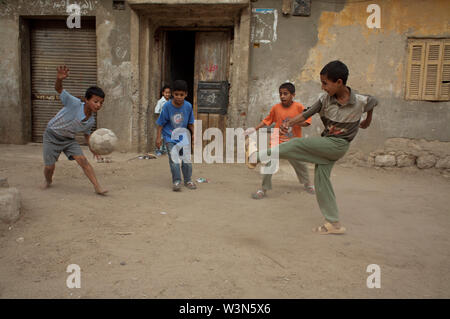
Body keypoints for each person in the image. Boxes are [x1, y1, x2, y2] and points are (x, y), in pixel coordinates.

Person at [247, 60, 378, 234]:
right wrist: (290, 122)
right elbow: (306, 114)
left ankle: (256, 157)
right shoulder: (325, 99)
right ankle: (334, 224)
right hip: (328, 142)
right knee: (322, 181)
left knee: (295, 144)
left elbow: (373, 102)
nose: (323, 87)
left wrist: (368, 119)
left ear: (339, 82)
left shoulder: (361, 100)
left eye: (325, 83)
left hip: (338, 144)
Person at [42, 65, 107, 195]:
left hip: (68, 140)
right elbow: (58, 89)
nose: (98, 105)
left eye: (101, 103)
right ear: (87, 100)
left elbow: (87, 135)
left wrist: (93, 149)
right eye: (96, 101)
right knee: (50, 167)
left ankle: (97, 187)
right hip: (52, 135)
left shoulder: (91, 120)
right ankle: (48, 181)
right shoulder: (74, 103)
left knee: (83, 161)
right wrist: (59, 79)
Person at [245, 82, 314, 199]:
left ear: (293, 95)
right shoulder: (276, 108)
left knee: (300, 164)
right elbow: (267, 121)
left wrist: (294, 122)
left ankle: (308, 184)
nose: (282, 96)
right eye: (280, 94)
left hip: (293, 142)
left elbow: (307, 122)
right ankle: (263, 189)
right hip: (277, 141)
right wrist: (254, 129)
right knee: (269, 163)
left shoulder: (299, 107)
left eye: (285, 94)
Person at [156, 80, 196, 191]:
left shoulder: (188, 106)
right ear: (172, 94)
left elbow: (191, 123)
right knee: (174, 160)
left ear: (186, 94)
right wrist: (158, 138)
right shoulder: (167, 107)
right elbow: (160, 124)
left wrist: (194, 135)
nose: (179, 97)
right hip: (169, 137)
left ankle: (188, 180)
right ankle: (177, 181)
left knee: (186, 159)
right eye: (176, 94)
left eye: (181, 95)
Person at [154, 85, 171, 156]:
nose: (167, 94)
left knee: (167, 136)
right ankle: (158, 150)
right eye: (166, 93)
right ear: (163, 93)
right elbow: (156, 111)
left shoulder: (170, 102)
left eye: (169, 93)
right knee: (160, 136)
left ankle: (165, 150)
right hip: (162, 122)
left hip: (168, 122)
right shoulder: (160, 102)